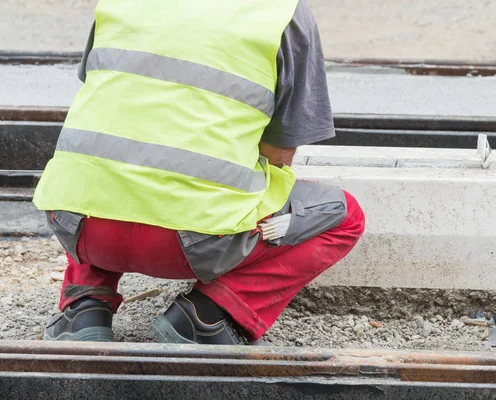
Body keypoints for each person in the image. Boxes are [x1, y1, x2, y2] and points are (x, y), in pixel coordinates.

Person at [34, 0, 365, 345]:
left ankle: (83, 306)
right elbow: (278, 154)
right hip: (190, 242)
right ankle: (206, 314)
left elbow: (112, 97)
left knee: (105, 166)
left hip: (79, 227)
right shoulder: (283, 12)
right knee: (345, 216)